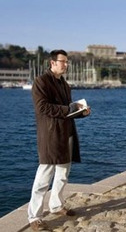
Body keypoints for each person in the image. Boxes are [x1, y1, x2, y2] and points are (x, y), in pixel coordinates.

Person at [28, 50, 91, 231]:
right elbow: (43, 108)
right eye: (63, 62)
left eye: (67, 62)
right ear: (52, 63)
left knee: (63, 174)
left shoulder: (65, 84)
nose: (66, 65)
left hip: (67, 133)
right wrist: (70, 108)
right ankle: (35, 217)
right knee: (43, 178)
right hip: (50, 135)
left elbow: (67, 112)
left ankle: (56, 206)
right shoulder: (41, 82)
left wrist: (81, 112)